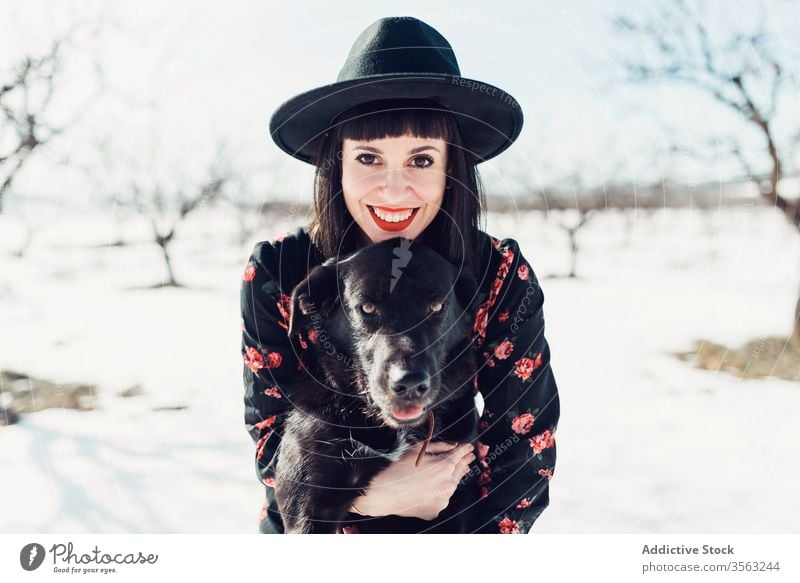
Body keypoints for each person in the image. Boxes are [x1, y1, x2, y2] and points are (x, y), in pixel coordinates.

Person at [241, 16, 559, 534]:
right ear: (335, 164)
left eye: (420, 159)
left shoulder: (498, 276)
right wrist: (372, 497)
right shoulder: (280, 272)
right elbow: (272, 443)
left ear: (451, 167)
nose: (393, 190)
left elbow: (524, 462)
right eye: (368, 157)